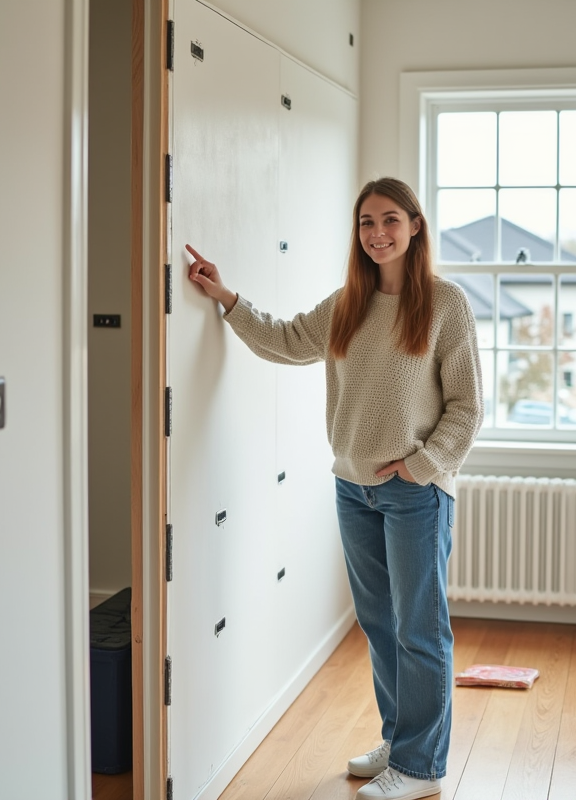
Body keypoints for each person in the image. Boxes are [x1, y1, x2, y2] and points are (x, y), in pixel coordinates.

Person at [186, 177, 483, 800]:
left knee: (419, 630)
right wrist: (225, 296)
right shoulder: (347, 303)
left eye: (390, 221)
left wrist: (422, 466)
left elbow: (467, 407)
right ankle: (401, 741)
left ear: (415, 226)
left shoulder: (445, 304)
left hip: (415, 493)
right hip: (353, 489)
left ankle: (423, 768)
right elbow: (287, 340)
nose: (378, 234)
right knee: (379, 624)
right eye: (367, 223)